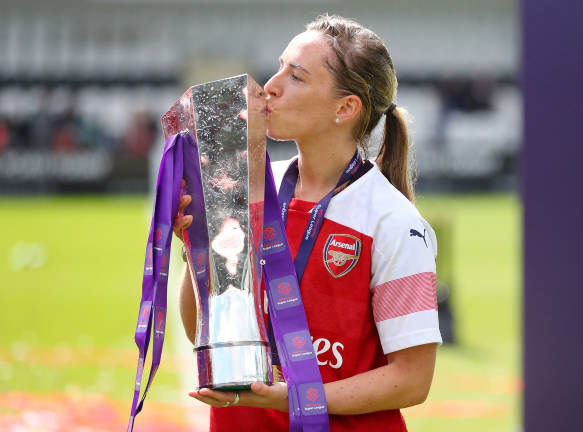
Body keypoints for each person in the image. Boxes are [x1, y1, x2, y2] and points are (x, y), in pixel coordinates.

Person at [173, 14, 442, 431]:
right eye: (279, 67)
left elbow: (412, 380)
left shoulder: (393, 221)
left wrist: (292, 399)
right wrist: (199, 247)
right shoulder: (250, 188)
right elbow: (202, 332)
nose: (271, 86)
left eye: (296, 77)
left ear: (345, 107)